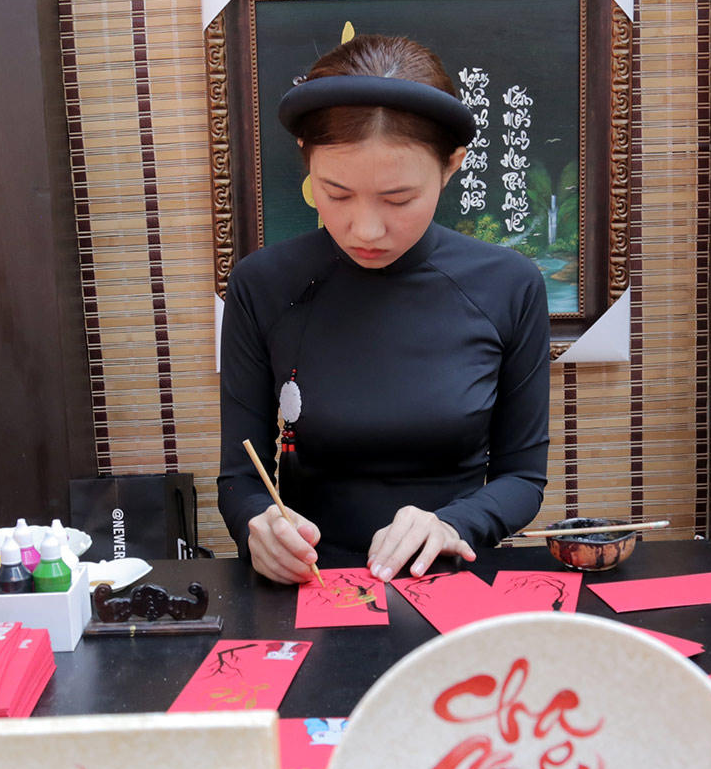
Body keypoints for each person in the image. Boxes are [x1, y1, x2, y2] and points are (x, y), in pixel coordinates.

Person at [218, 34, 550, 585]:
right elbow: (240, 474)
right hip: (309, 587)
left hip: (448, 584)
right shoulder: (263, 285)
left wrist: (452, 524)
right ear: (306, 158)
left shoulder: (509, 285)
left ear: (451, 166)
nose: (366, 230)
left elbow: (523, 477)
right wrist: (258, 524)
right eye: (336, 193)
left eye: (398, 199)